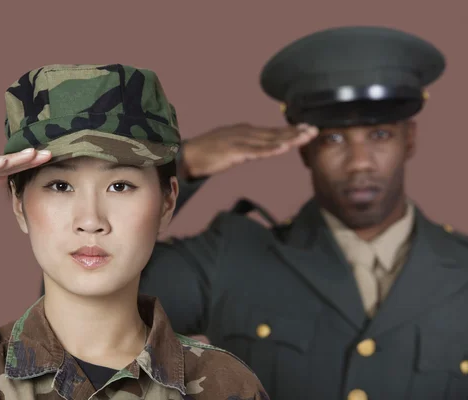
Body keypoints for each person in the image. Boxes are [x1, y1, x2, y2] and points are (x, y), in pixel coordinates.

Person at [0, 64, 270, 399]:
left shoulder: (224, 386)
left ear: (168, 201)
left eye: (120, 186)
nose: (91, 219)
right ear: (18, 205)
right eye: (60, 186)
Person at [138, 26, 468, 400]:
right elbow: (77, 303)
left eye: (379, 135)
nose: (359, 163)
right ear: (305, 150)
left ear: (410, 139)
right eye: (334, 139)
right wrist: (182, 166)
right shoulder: (229, 257)